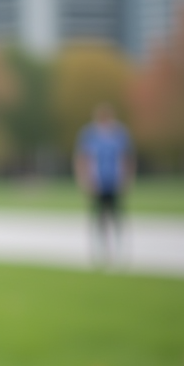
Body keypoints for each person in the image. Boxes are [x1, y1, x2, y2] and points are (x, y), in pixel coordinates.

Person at [74, 103, 135, 264]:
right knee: (99, 216)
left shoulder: (119, 134)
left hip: (114, 180)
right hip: (97, 181)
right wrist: (84, 179)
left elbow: (126, 157)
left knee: (116, 215)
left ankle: (119, 247)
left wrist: (127, 179)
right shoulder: (89, 134)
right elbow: (82, 158)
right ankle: (101, 249)